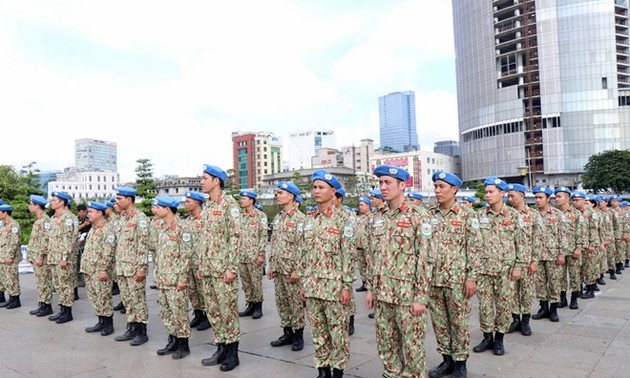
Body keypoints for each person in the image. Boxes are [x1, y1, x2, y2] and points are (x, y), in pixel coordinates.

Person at [365, 165, 432, 378]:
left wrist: (420, 297)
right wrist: (370, 289)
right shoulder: (378, 217)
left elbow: (426, 259)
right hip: (383, 295)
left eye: (388, 183)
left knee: (413, 350)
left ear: (402, 185)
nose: (383, 187)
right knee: (387, 348)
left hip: (407, 296)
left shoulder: (418, 215)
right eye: (380, 183)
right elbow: (373, 256)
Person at [426, 171, 481, 378]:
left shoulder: (467, 215)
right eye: (436, 187)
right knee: (439, 323)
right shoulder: (430, 215)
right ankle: (446, 360)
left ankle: (460, 362)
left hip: (457, 281)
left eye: (442, 187)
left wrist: (471, 277)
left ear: (454, 189)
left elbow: (475, 248)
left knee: (458, 323)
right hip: (434, 280)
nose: (437, 190)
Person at [300, 170, 355, 378]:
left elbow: (348, 256)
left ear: (333, 191)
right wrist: (304, 285)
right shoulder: (310, 219)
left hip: (334, 287)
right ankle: (323, 370)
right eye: (314, 187)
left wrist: (346, 286)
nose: (316, 191)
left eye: (321, 187)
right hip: (313, 286)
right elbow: (304, 254)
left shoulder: (344, 220)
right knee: (318, 332)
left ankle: (338, 371)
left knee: (338, 334)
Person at [472, 177, 525, 356]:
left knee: (503, 306)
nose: (487, 195)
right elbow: (472, 243)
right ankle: (487, 337)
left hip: (506, 270)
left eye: (491, 192)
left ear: (502, 193)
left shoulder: (514, 216)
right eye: (486, 192)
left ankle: (499, 339)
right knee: (485, 306)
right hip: (484, 270)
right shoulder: (478, 216)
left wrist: (519, 266)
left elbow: (522, 244)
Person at [197, 164, 241, 372]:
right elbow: (204, 239)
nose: (201, 182)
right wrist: (200, 264)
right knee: (214, 311)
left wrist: (232, 267)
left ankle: (233, 352)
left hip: (224, 270)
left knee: (227, 312)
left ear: (216, 181)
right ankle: (221, 346)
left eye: (204, 178)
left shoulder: (229, 205)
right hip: (208, 269)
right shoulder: (208, 206)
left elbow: (236, 237)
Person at [152, 196, 194, 360]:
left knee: (179, 312)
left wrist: (182, 278)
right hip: (163, 278)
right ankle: (173, 340)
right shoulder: (162, 227)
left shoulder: (182, 227)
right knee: (166, 312)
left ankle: (183, 344)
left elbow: (186, 255)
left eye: (159, 207)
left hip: (176, 280)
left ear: (167, 209)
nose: (156, 209)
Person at [267, 181, 307, 352]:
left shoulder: (301, 219)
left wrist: (298, 270)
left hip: (292, 271)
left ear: (291, 196)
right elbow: (274, 243)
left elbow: (303, 247)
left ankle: (298, 335)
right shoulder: (278, 218)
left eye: (281, 193)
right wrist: (271, 265)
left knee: (295, 304)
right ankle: (287, 332)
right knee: (282, 303)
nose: (278, 196)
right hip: (279, 268)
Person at [113, 187, 150, 346]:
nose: (117, 201)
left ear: (129, 199)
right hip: (122, 267)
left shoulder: (140, 218)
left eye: (120, 198)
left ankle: (142, 331)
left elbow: (143, 244)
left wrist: (142, 267)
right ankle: (132, 327)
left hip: (134, 268)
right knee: (128, 300)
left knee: (137, 300)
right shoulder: (121, 218)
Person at [506, 184, 541, 336]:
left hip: (527, 261)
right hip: (510, 261)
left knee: (527, 291)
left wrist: (535, 261)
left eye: (512, 195)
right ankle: (515, 319)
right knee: (511, 292)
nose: (509, 198)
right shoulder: (507, 214)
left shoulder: (533, 215)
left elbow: (538, 240)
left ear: (522, 196)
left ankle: (525, 321)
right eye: (508, 196)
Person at [531, 186, 566, 323]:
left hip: (553, 255)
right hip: (537, 256)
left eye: (540, 197)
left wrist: (561, 254)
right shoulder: (532, 214)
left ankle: (553, 310)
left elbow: (563, 235)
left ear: (548, 199)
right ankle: (543, 308)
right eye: (536, 197)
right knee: (539, 283)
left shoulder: (557, 215)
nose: (537, 200)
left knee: (554, 282)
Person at [81, 201, 116, 336]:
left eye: (91, 212)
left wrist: (103, 270)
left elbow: (108, 251)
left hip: (100, 270)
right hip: (89, 269)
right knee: (94, 296)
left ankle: (108, 323)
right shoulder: (94, 228)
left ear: (100, 213)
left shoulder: (107, 230)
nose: (88, 214)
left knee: (103, 296)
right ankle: (101, 320)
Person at [46, 192, 78, 323]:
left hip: (63, 259)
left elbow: (69, 239)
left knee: (66, 285)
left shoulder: (69, 218)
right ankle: (62, 309)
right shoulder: (54, 218)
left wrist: (64, 258)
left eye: (54, 200)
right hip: (53, 257)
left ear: (62, 202)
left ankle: (68, 311)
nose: (51, 202)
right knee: (58, 286)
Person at [553, 186, 586, 310]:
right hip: (559, 251)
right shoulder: (554, 213)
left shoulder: (576, 214)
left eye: (559, 196)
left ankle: (574, 299)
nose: (556, 199)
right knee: (560, 276)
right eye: (556, 197)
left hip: (573, 250)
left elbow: (581, 232)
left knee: (574, 275)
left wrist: (579, 248)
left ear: (567, 198)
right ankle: (562, 299)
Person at [183, 191, 211, 331]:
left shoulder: (206, 219)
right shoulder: (187, 221)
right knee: (192, 291)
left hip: (202, 263)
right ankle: (198, 313)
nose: (185, 204)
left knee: (204, 291)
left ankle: (208, 316)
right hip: (190, 262)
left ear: (197, 203)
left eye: (188, 201)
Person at [237, 190, 267, 320]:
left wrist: (261, 254)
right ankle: (250, 304)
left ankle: (258, 306)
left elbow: (263, 236)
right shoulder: (240, 217)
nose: (241, 201)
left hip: (254, 256)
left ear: (251, 200)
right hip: (242, 255)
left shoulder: (260, 216)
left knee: (256, 282)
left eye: (244, 198)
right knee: (246, 282)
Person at [26, 195, 53, 316]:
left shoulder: (45, 220)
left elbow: (45, 240)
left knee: (44, 281)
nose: (29, 206)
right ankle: (42, 303)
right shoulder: (39, 219)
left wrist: (40, 256)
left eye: (30, 203)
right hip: (36, 257)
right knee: (40, 282)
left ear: (37, 205)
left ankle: (47, 306)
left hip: (41, 258)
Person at [572, 191, 601, 299]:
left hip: (589, 246)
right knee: (578, 269)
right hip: (577, 246)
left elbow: (594, 229)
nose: (575, 202)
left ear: (584, 200)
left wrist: (592, 244)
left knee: (589, 268)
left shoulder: (590, 213)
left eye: (577, 200)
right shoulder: (573, 212)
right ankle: (578, 289)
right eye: (574, 200)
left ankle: (590, 290)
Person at [0, 203, 22, 309]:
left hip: (10, 257)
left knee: (12, 278)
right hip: (3, 256)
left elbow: (15, 241)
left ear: (5, 213)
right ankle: (11, 298)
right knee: (7, 278)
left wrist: (10, 256)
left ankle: (16, 299)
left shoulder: (14, 225)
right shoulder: (4, 224)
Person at [354, 196, 371, 293]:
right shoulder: (359, 218)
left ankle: (370, 284)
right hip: (359, 246)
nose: (360, 207)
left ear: (368, 206)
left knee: (369, 267)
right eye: (359, 205)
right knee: (361, 267)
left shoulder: (371, 217)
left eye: (362, 205)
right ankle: (364, 283)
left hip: (367, 248)